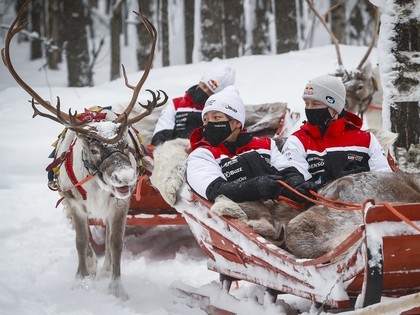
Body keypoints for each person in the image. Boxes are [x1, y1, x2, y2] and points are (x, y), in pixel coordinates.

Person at [186, 85, 315, 204]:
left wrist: (296, 183)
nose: (209, 124)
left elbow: (286, 170)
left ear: (237, 123)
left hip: (275, 210)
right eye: (206, 119)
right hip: (239, 213)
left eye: (217, 118)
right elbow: (214, 190)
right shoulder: (201, 154)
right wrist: (254, 188)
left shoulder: (265, 145)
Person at [281, 74, 392, 187]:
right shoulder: (297, 141)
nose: (309, 108)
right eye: (307, 103)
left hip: (365, 202)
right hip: (319, 204)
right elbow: (297, 189)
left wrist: (361, 181)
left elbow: (387, 183)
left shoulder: (366, 140)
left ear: (335, 108)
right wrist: (336, 184)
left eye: (316, 103)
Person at [151, 64, 236, 146]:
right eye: (204, 86)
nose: (204, 92)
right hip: (172, 151)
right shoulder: (175, 104)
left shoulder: (218, 113)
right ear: (199, 82)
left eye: (210, 92)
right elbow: (161, 132)